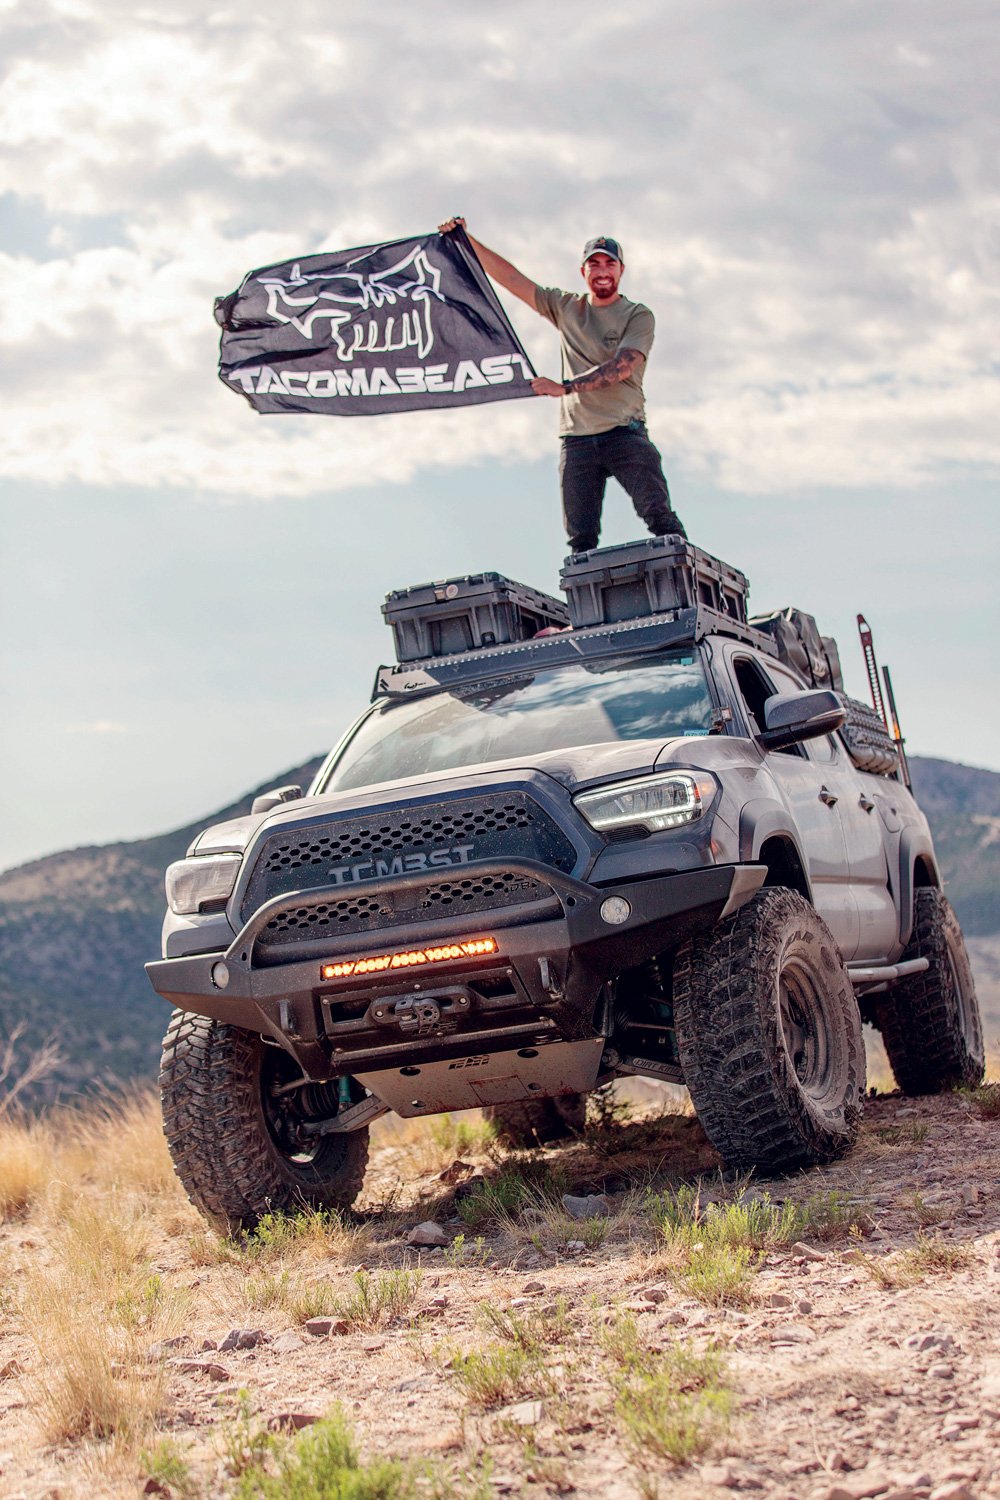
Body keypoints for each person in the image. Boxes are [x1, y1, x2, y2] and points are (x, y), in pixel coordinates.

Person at [438, 217, 686, 554]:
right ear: (582, 271)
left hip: (624, 431)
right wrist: (466, 240)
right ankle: (588, 602)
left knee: (659, 518)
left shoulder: (637, 314)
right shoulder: (567, 307)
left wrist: (565, 387)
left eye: (609, 264)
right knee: (580, 540)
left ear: (621, 270)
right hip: (577, 440)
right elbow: (511, 279)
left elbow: (624, 365)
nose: (602, 270)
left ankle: (689, 583)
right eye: (594, 264)